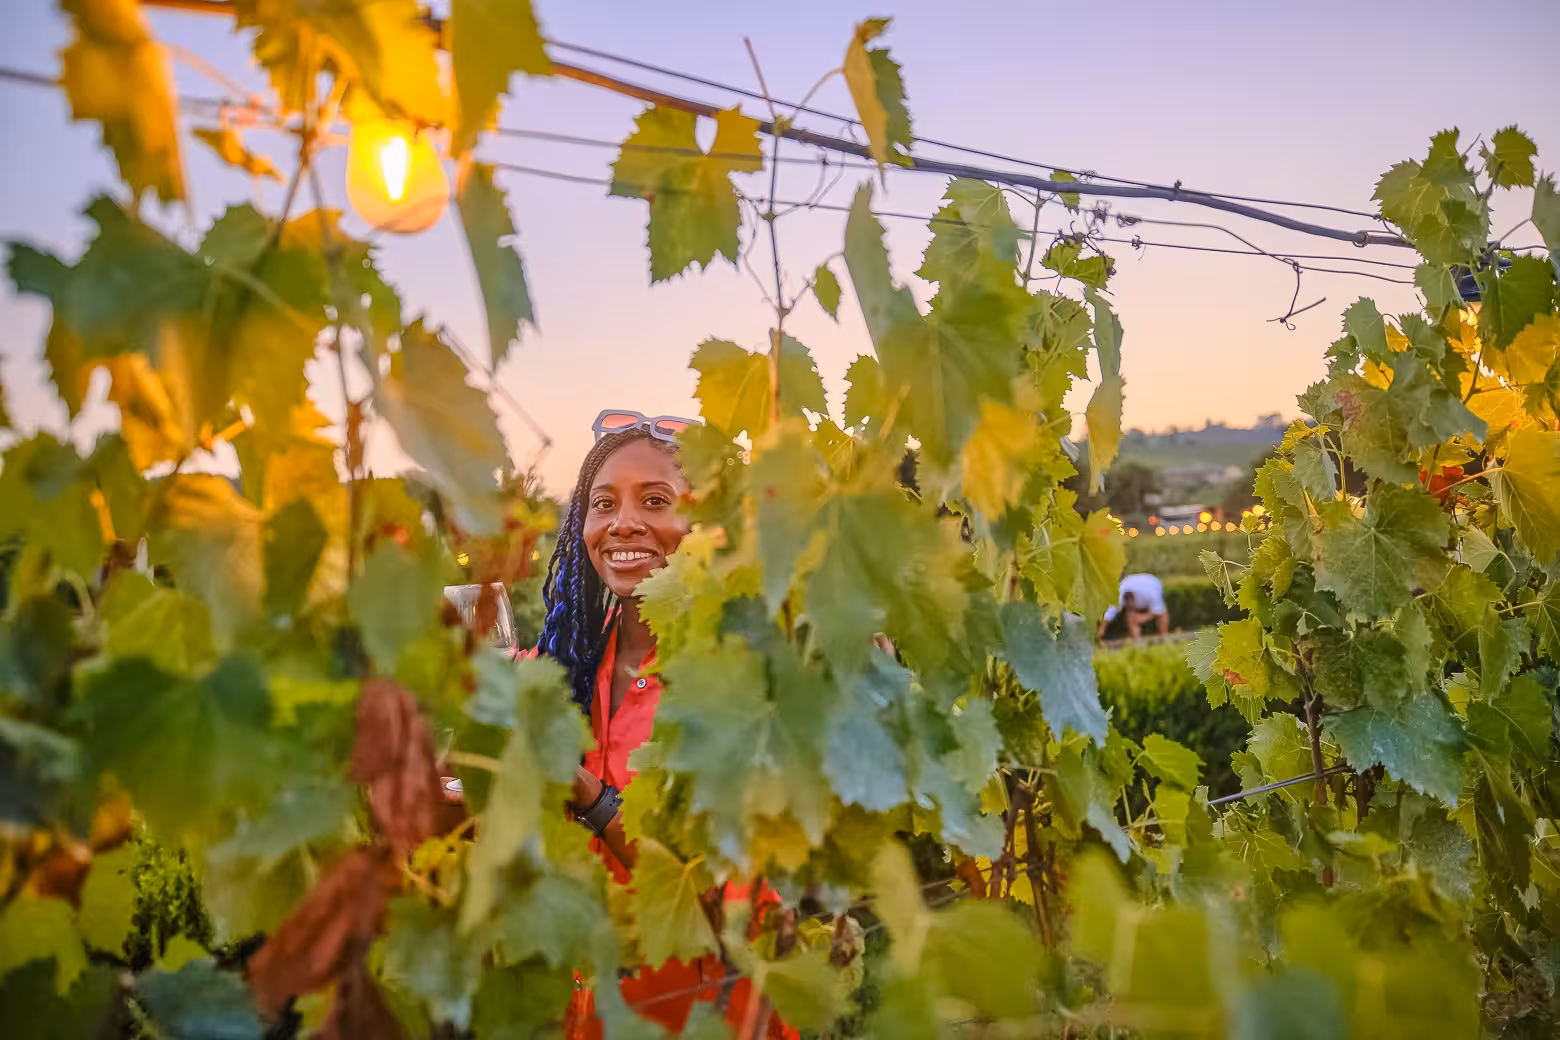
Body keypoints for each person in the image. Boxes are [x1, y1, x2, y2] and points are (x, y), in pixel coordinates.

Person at [528, 410, 795, 1040]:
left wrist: (589, 800)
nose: (622, 523)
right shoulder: (567, 662)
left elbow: (721, 905)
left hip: (709, 1017)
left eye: (656, 500)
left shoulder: (737, 678)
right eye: (603, 503)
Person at [1098, 572, 1170, 641]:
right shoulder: (1122, 590)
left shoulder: (1152, 592)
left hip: (1152, 586)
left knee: (1162, 616)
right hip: (1138, 593)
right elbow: (1110, 613)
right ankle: (1137, 642)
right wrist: (1101, 631)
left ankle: (1164, 639)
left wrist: (1141, 618)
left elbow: (1159, 612)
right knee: (1131, 617)